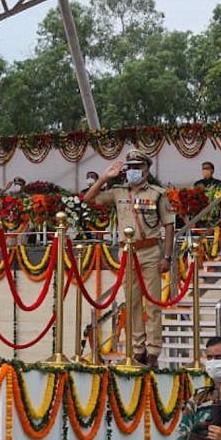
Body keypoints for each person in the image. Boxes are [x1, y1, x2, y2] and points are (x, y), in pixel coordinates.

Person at [84, 152, 174, 369]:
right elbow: (89, 199)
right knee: (131, 303)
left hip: (150, 251)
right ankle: (138, 348)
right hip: (128, 252)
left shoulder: (157, 193)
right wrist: (105, 177)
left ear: (146, 169)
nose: (133, 170)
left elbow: (169, 224)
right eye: (130, 166)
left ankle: (153, 350)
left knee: (153, 303)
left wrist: (167, 257)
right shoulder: (118, 192)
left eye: (138, 166)